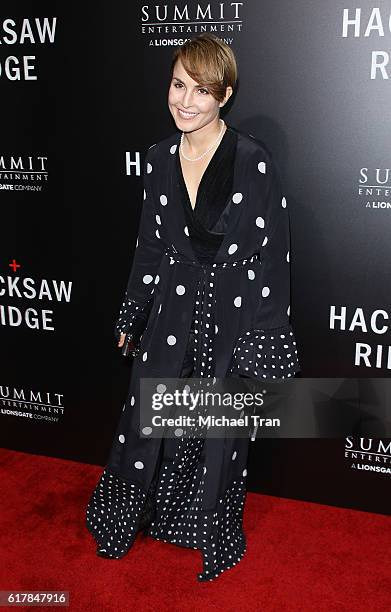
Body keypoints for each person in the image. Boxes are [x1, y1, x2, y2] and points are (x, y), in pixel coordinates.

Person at [85, 33, 300, 582]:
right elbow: (149, 246)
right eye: (178, 85)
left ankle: (208, 532)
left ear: (224, 95)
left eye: (201, 90)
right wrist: (133, 310)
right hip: (171, 311)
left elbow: (273, 256)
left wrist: (265, 333)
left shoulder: (253, 160)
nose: (185, 101)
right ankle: (133, 519)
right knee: (149, 420)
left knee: (216, 431)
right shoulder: (158, 159)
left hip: (230, 315)